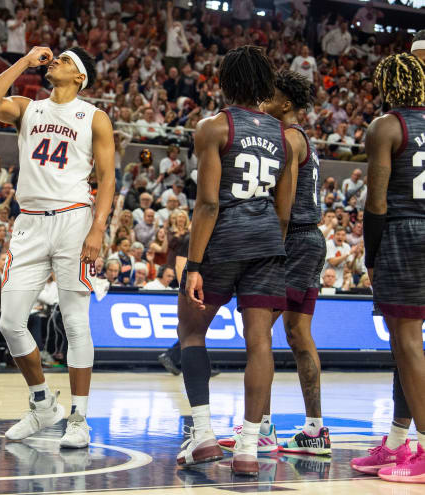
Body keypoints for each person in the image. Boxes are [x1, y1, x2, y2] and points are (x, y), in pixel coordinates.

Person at [0, 44, 115, 449]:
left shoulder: (94, 117)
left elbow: (106, 179)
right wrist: (22, 63)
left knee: (75, 322)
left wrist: (98, 230)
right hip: (30, 223)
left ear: (80, 77)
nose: (57, 61)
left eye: (67, 60)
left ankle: (79, 418)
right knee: (10, 321)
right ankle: (42, 405)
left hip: (75, 219)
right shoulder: (28, 106)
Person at [176, 46, 296, 476]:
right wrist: (267, 247)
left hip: (222, 241)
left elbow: (207, 203)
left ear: (225, 80)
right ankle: (248, 446)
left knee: (191, 332)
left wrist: (193, 264)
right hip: (267, 242)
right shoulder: (286, 136)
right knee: (259, 342)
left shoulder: (213, 127)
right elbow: (284, 212)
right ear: (265, 84)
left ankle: (204, 437)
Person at [221, 70, 329, 455]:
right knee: (299, 335)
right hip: (312, 238)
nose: (263, 102)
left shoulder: (285, 137)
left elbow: (283, 202)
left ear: (285, 104)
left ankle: (262, 428)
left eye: (270, 97)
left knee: (259, 333)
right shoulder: (304, 139)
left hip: (293, 238)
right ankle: (315, 431)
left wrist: (272, 246)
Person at [350, 53, 425, 483]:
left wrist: (372, 255)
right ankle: (398, 441)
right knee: (405, 347)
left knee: (407, 343)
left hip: (405, 231)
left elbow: (376, 201)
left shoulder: (386, 126)